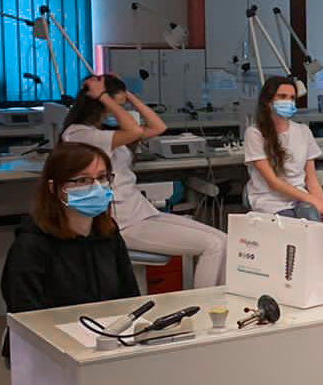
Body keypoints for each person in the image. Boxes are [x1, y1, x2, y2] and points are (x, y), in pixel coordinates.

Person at [60, 74, 228, 286]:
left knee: (224, 240)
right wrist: (104, 96)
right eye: (116, 105)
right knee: (213, 246)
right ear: (100, 103)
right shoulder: (79, 134)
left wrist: (129, 95)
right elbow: (135, 130)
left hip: (142, 213)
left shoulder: (105, 133)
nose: (118, 110)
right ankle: (206, 303)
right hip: (122, 222)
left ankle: (222, 301)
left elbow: (158, 127)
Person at [0, 142, 141, 361]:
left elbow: (129, 297)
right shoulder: (31, 245)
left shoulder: (108, 233)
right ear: (53, 187)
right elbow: (26, 317)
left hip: (104, 342)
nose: (96, 187)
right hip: (49, 352)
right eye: (82, 180)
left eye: (102, 177)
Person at [244, 76, 323, 221]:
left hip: (300, 198)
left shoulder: (303, 131)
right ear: (268, 102)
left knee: (314, 221)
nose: (288, 101)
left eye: (292, 98)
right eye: (282, 96)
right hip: (270, 201)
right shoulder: (255, 134)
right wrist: (313, 200)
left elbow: (311, 178)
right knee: (291, 225)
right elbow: (273, 182)